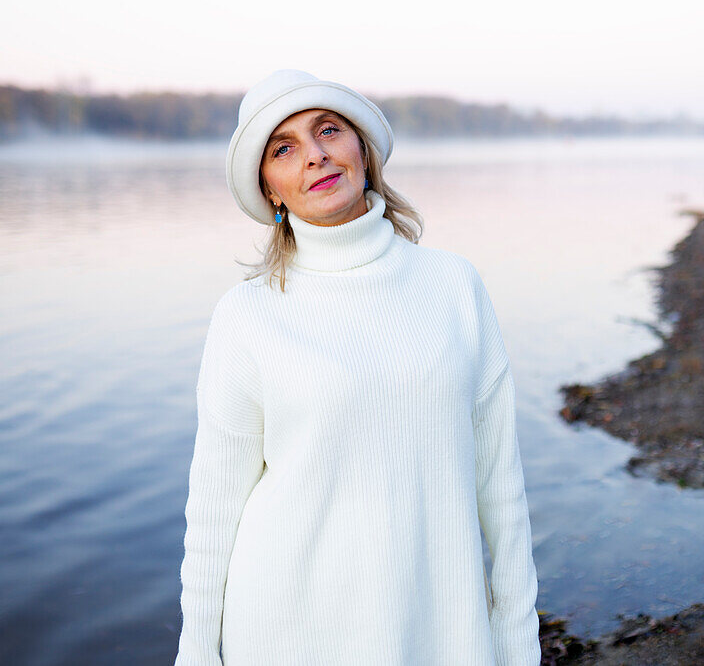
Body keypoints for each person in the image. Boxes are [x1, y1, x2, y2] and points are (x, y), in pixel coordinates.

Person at [174, 70, 540, 666]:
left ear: (362, 150)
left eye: (328, 131)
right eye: (284, 148)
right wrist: (196, 656)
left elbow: (500, 486)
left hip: (441, 625)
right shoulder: (247, 316)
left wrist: (519, 641)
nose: (315, 156)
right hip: (287, 631)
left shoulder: (452, 286)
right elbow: (215, 507)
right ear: (270, 189)